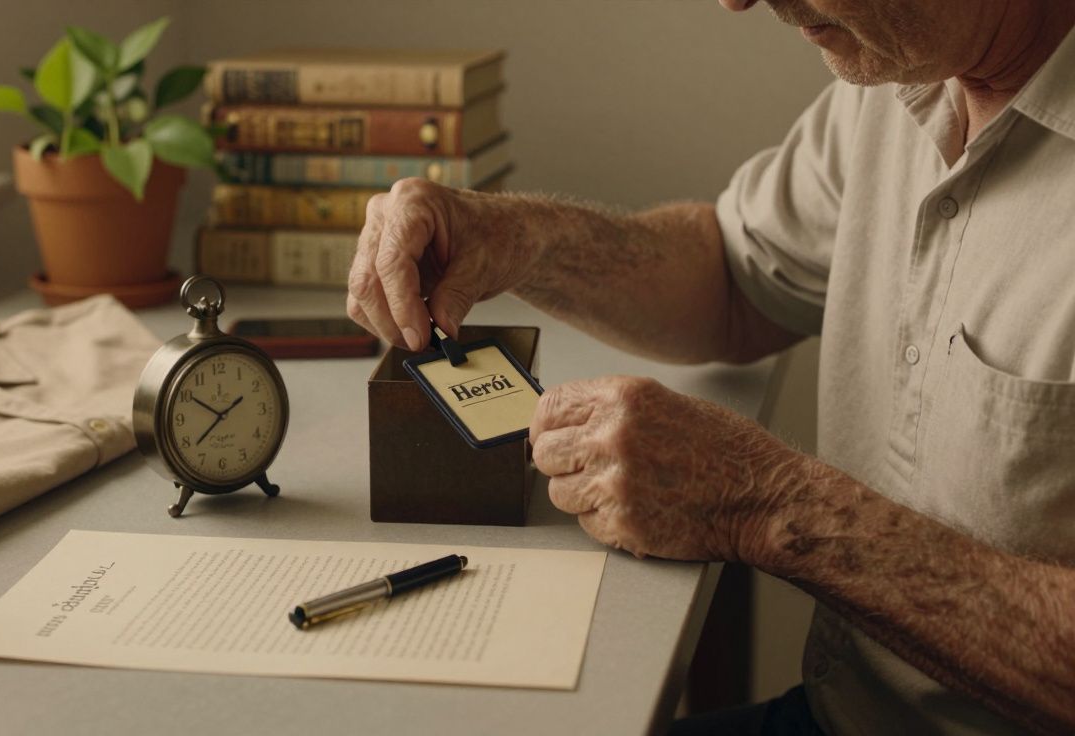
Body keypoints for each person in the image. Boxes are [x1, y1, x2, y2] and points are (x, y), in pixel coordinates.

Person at [344, 0, 1075, 733]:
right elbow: (732, 279)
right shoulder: (906, 73)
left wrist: (766, 503)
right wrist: (521, 237)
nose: (736, 0)